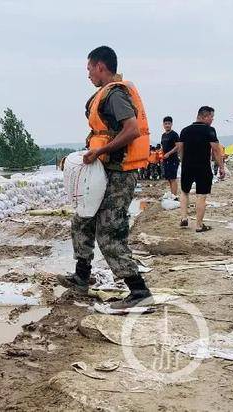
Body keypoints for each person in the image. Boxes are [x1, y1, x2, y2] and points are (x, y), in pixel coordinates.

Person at [57, 46, 153, 309]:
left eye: (89, 69)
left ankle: (139, 291)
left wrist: (101, 150)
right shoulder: (106, 94)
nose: (88, 75)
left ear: (100, 66)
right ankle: (81, 276)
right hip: (105, 170)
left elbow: (132, 130)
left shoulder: (115, 95)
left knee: (110, 232)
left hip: (120, 174)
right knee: (82, 220)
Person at [178, 106, 225, 232]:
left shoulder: (185, 130)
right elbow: (215, 149)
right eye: (211, 117)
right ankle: (199, 225)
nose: (212, 120)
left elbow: (180, 149)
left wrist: (183, 162)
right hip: (203, 167)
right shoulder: (209, 130)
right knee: (201, 195)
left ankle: (184, 217)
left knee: (184, 192)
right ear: (204, 116)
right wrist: (221, 167)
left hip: (187, 166)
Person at [160, 116, 180, 197]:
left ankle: (174, 196)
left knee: (173, 178)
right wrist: (162, 156)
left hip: (173, 159)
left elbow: (178, 146)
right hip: (165, 159)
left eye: (169, 123)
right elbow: (162, 146)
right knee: (168, 178)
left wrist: (169, 153)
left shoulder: (174, 134)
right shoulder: (163, 135)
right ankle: (172, 194)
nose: (167, 125)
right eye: (165, 124)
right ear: (163, 125)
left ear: (171, 124)